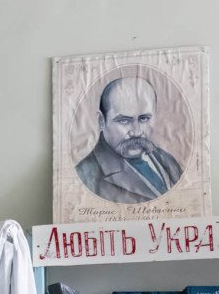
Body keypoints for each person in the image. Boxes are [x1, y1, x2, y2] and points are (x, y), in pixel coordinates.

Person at [74, 76, 183, 204]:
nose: (136, 132)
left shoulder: (167, 160)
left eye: (144, 119)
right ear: (101, 121)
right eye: (124, 120)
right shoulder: (85, 176)